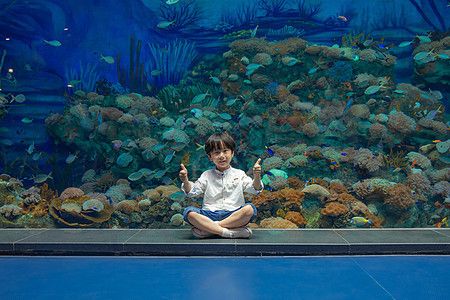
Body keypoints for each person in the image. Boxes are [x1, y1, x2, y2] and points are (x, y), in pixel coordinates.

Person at [179, 131, 263, 239]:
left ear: (232, 153)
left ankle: (210, 230)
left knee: (250, 209)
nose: (221, 156)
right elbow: (192, 192)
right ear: (210, 157)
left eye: (225, 151)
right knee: (188, 212)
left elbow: (255, 189)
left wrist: (257, 175)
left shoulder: (239, 173)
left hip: (233, 214)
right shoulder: (206, 175)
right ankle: (229, 233)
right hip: (209, 215)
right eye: (217, 152)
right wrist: (185, 180)